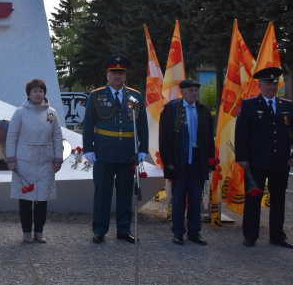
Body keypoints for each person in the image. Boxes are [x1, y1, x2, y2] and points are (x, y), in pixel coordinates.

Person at [235, 67, 293, 249]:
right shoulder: (249, 105)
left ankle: (277, 236)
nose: (272, 86)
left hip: (281, 162)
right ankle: (250, 235)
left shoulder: (287, 106)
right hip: (255, 162)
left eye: (274, 83)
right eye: (267, 83)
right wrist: (242, 157)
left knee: (278, 200)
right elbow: (241, 134)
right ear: (260, 85)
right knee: (253, 200)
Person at [82, 55, 148, 244]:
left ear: (125, 76)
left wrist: (143, 148)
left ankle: (124, 229)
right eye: (114, 73)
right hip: (104, 151)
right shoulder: (96, 95)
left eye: (121, 73)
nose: (117, 76)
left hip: (128, 152)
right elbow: (88, 124)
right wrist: (89, 149)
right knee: (102, 192)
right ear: (107, 75)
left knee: (126, 193)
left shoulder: (135, 96)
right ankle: (99, 230)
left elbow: (142, 125)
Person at [6, 79, 64, 243]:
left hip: (45, 161)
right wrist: (11, 159)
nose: (38, 94)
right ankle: (26, 232)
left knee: (42, 198)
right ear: (28, 94)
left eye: (41, 91)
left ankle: (39, 231)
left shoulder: (51, 112)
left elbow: (57, 136)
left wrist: (57, 158)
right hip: (25, 161)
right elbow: (11, 136)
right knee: (25, 198)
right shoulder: (20, 112)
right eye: (35, 91)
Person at [159, 79, 215, 246]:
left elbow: (209, 139)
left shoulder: (203, 111)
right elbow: (165, 138)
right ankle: (178, 232)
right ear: (182, 92)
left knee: (196, 197)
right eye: (191, 90)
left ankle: (194, 231)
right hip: (179, 160)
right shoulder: (173, 109)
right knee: (178, 198)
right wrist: (168, 161)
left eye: (196, 90)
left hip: (198, 160)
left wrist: (210, 161)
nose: (194, 93)